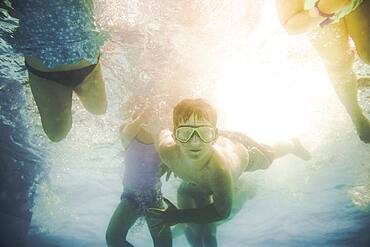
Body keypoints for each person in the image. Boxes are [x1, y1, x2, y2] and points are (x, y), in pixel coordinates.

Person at [147, 98, 311, 247]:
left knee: (268, 156)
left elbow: (221, 211)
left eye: (203, 134)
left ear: (214, 136)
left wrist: (178, 217)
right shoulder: (166, 151)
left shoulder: (219, 171)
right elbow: (161, 132)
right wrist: (167, 162)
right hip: (218, 139)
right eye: (185, 134)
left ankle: (293, 145)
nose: (194, 142)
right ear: (176, 136)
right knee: (195, 132)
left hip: (242, 147)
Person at [6, 0, 109, 142]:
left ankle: (61, 99)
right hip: (46, 73)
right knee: (56, 134)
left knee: (99, 109)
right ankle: (53, 99)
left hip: (85, 62)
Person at [275, 0, 370, 143]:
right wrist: (320, 11)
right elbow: (290, 25)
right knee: (339, 64)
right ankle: (356, 114)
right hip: (314, 13)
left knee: (367, 52)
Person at [105, 106, 172, 247]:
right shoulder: (128, 132)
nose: (150, 117)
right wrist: (142, 117)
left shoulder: (162, 138)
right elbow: (126, 132)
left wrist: (156, 132)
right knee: (113, 238)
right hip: (131, 197)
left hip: (154, 197)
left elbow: (168, 155)